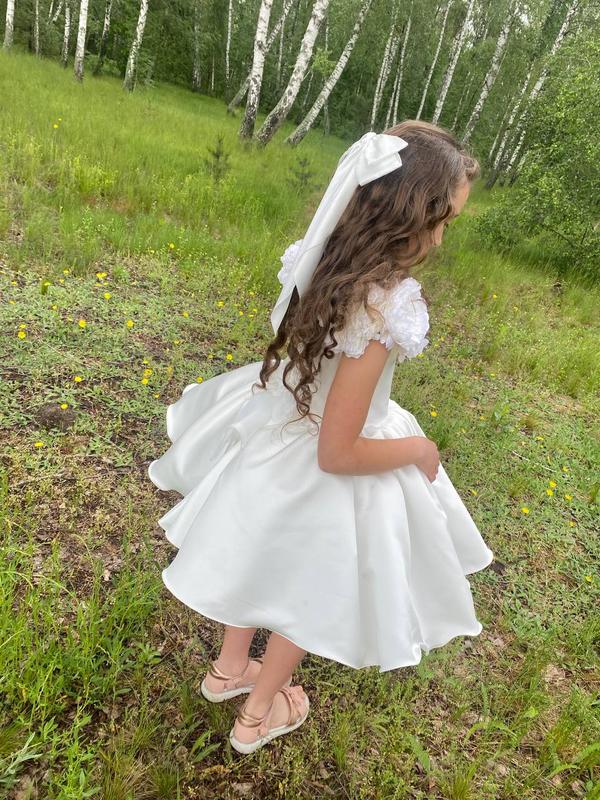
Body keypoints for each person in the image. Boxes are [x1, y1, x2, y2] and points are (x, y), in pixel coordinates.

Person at [147, 119, 494, 755]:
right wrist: (419, 449)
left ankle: (229, 669)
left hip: (283, 432)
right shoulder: (386, 304)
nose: (442, 238)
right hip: (332, 457)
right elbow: (339, 451)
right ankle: (258, 713)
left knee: (258, 557)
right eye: (442, 221)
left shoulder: (324, 260)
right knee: (303, 587)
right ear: (406, 217)